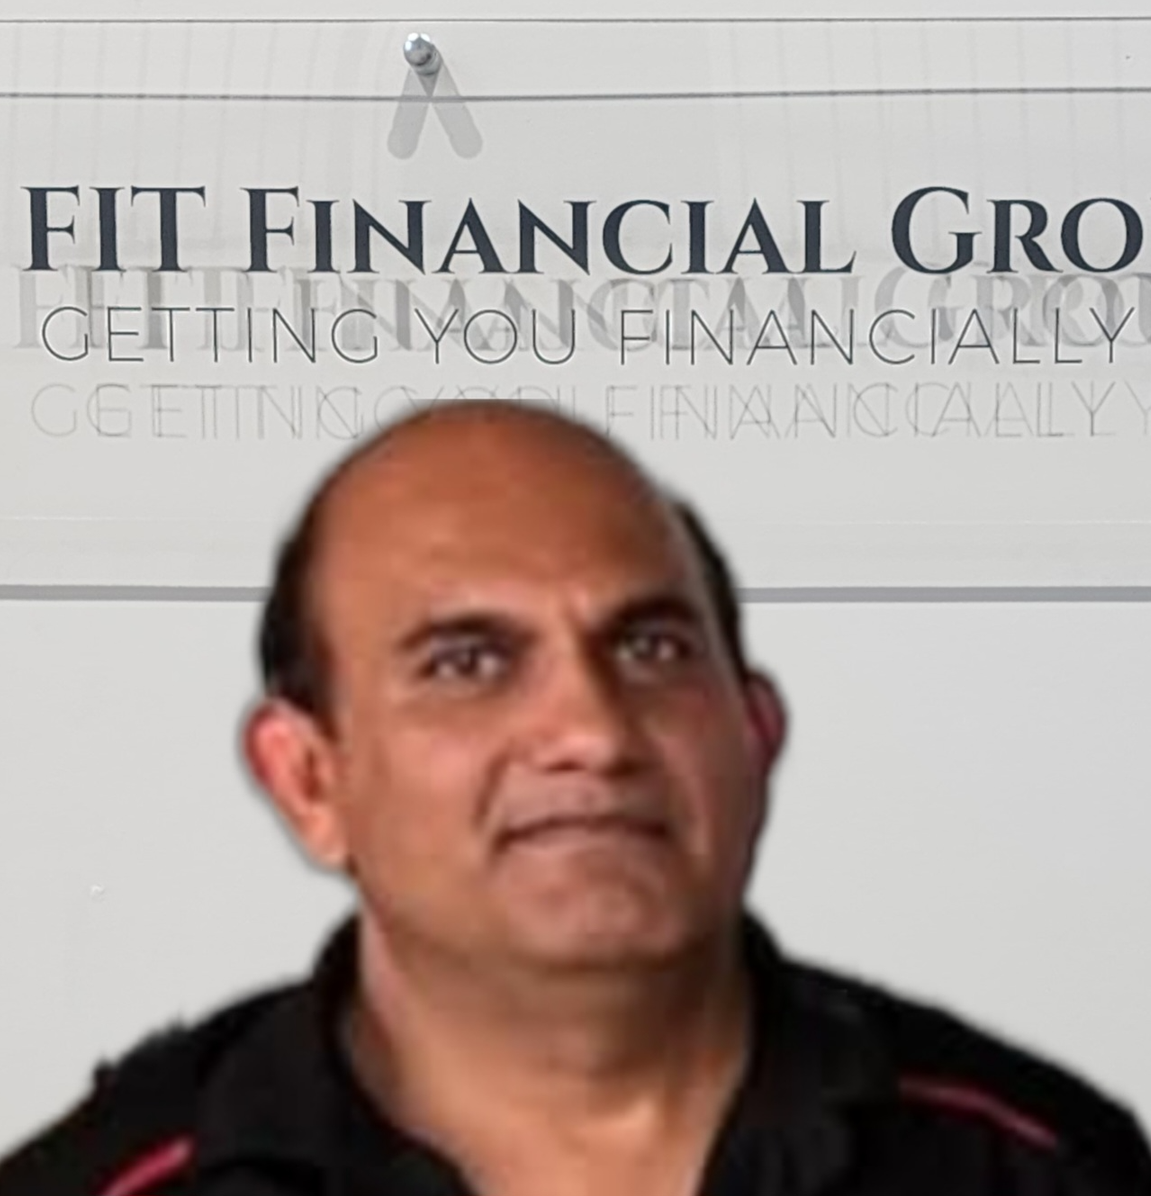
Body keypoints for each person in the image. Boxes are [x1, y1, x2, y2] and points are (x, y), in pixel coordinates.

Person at [1, 401, 1148, 1196]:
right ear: (309, 776)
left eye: (649, 647)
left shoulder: (1037, 1165)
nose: (592, 731)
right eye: (466, 661)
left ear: (755, 731)